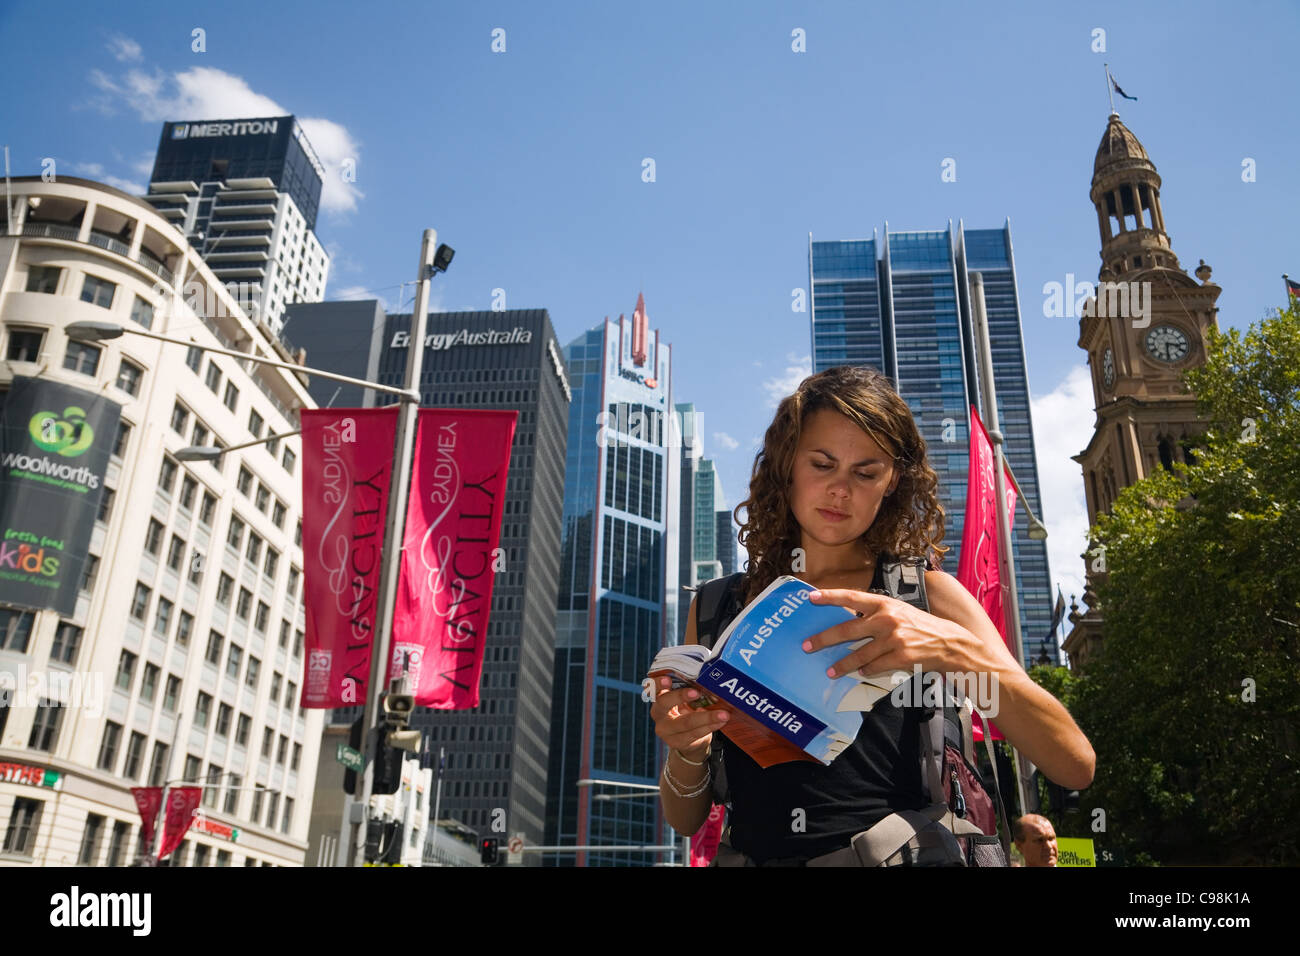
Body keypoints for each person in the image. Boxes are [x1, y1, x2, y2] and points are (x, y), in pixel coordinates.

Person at [652, 365, 1095, 866]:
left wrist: (952, 649)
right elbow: (685, 820)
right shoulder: (716, 609)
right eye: (822, 465)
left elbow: (1074, 763)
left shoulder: (929, 596)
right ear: (786, 465)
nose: (841, 489)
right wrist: (687, 748)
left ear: (891, 482)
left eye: (866, 472)